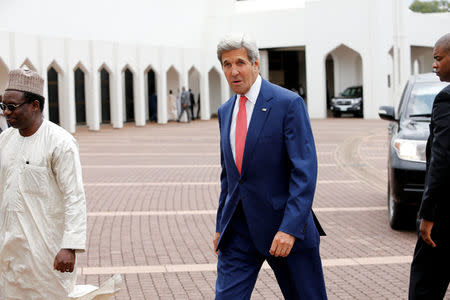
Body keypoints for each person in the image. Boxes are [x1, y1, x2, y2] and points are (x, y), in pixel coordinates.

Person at [213, 33, 327, 299]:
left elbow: (304, 171)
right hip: (238, 232)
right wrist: (221, 225)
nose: (233, 71)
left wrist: (289, 228)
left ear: (256, 64)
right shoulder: (225, 111)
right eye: (227, 65)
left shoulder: (288, 104)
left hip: (284, 230)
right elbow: (228, 177)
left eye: (240, 62)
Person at [0, 68, 87, 298]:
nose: (6, 113)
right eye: (3, 107)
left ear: (35, 105)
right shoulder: (5, 140)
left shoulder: (60, 143)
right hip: (10, 252)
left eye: (12, 107)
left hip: (46, 254)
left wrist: (69, 246)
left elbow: (74, 197)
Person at [409, 33, 450, 300]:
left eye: (438, 58)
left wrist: (428, 215)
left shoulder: (447, 98)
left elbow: (443, 159)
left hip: (445, 219)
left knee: (425, 287)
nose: (434, 65)